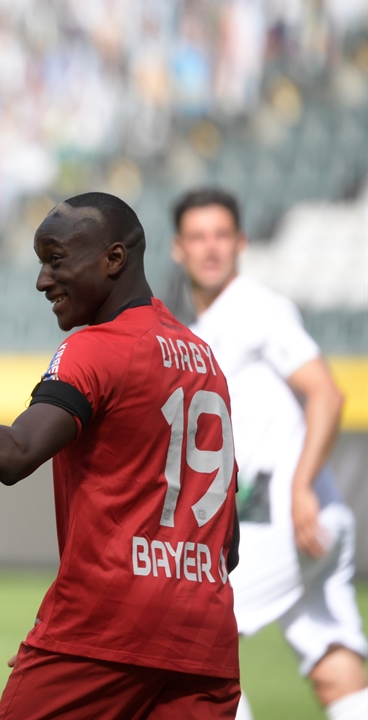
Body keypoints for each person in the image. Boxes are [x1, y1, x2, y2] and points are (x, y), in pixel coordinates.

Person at [0, 192, 242, 719]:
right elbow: (227, 539)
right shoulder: (203, 359)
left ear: (113, 259)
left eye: (55, 260)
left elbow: (14, 454)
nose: (41, 280)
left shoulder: (97, 348)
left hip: (104, 630)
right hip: (204, 643)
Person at [171, 188, 367, 720]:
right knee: (337, 669)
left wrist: (301, 486)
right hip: (315, 522)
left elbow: (327, 393)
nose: (210, 248)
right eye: (198, 236)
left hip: (285, 516)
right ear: (177, 248)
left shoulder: (258, 308)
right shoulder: (197, 331)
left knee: (185, 642)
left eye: (221, 235)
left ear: (242, 243)